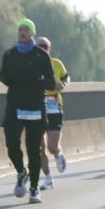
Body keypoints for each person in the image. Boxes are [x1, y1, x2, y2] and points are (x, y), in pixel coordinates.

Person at [0, 19, 56, 204]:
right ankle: (21, 172)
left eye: (26, 29)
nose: (22, 32)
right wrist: (12, 79)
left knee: (34, 150)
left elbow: (50, 81)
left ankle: (34, 189)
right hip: (15, 106)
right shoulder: (10, 54)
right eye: (20, 29)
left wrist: (36, 81)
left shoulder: (41, 55)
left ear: (31, 33)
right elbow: (3, 75)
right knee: (12, 143)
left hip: (35, 108)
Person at [35, 36, 70, 189]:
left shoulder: (56, 63)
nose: (42, 49)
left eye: (45, 47)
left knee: (51, 147)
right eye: (39, 47)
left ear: (49, 49)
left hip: (54, 106)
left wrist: (63, 84)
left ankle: (58, 153)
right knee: (39, 147)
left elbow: (66, 77)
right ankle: (48, 179)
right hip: (37, 107)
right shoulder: (31, 64)